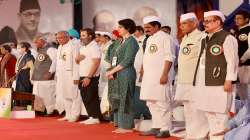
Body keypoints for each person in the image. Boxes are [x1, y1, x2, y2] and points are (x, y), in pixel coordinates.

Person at [193, 10, 239, 140]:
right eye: (204, 21)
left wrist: (229, 80)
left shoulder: (227, 37)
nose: (205, 24)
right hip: (205, 80)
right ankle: (214, 137)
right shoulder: (205, 37)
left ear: (218, 22)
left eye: (208, 21)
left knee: (220, 113)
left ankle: (221, 137)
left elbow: (233, 61)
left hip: (220, 81)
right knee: (209, 111)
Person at [174, 12, 209, 139]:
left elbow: (205, 60)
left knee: (198, 109)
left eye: (184, 23)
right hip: (184, 79)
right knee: (188, 110)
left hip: (197, 80)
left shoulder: (202, 36)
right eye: (180, 24)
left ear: (194, 23)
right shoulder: (185, 38)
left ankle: (200, 135)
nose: (181, 26)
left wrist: (202, 78)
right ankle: (191, 134)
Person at [140, 16, 175, 138]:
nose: (146, 30)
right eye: (145, 28)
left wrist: (165, 74)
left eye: (148, 27)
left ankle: (165, 129)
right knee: (151, 102)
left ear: (156, 26)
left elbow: (169, 57)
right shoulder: (150, 39)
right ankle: (156, 126)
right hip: (149, 77)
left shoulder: (166, 38)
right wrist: (143, 72)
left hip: (160, 76)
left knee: (162, 102)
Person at [105, 18, 139, 133]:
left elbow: (128, 60)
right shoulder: (119, 42)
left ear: (128, 28)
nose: (117, 29)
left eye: (120, 27)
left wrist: (112, 71)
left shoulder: (132, 41)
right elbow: (112, 58)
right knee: (117, 97)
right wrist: (111, 71)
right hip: (116, 73)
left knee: (126, 98)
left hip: (126, 72)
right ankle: (119, 123)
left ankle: (127, 126)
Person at [76, 28, 102, 124]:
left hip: (91, 76)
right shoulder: (83, 47)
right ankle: (91, 116)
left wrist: (89, 77)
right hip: (82, 75)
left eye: (83, 35)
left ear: (90, 36)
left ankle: (95, 117)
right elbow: (78, 61)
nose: (81, 38)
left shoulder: (94, 46)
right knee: (85, 96)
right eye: (81, 35)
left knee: (91, 96)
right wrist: (77, 59)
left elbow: (96, 62)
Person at [56, 31, 81, 122]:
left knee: (74, 95)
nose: (59, 40)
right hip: (62, 75)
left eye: (61, 38)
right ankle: (68, 114)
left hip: (71, 74)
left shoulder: (73, 46)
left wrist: (76, 77)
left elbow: (76, 63)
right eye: (58, 38)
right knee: (64, 94)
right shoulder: (59, 47)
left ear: (67, 37)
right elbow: (59, 62)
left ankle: (75, 115)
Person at [31, 36, 57, 115]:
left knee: (48, 95)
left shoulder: (51, 49)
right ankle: (40, 110)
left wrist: (50, 72)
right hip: (38, 78)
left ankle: (50, 111)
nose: (35, 44)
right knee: (38, 95)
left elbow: (55, 61)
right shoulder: (41, 50)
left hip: (47, 77)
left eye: (36, 42)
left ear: (42, 41)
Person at [133, 26, 151, 120]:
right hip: (135, 69)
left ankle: (146, 113)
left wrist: (142, 69)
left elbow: (145, 56)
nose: (134, 33)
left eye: (135, 31)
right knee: (137, 92)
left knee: (141, 92)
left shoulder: (145, 40)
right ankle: (140, 113)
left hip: (142, 69)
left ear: (140, 31)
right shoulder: (134, 40)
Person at [233, 10, 250, 100]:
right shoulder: (236, 32)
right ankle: (246, 110)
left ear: (246, 19)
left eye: (239, 18)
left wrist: (242, 59)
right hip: (239, 65)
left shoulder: (249, 30)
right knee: (241, 90)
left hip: (248, 64)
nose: (236, 20)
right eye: (235, 18)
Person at [15, 42, 35, 106]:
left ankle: (25, 106)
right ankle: (19, 106)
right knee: (18, 91)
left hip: (25, 76)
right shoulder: (21, 56)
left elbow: (32, 68)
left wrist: (31, 78)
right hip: (19, 76)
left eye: (19, 48)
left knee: (24, 91)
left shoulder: (29, 56)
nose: (17, 49)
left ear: (24, 48)